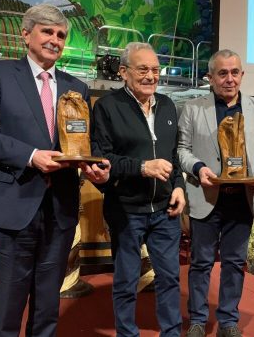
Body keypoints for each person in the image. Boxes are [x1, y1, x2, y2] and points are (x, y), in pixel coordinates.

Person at [0, 4, 110, 337]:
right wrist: (30, 156)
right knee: (9, 307)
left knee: (48, 306)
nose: (55, 40)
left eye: (61, 35)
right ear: (26, 34)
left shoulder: (77, 87)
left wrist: (93, 168)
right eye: (47, 31)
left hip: (59, 208)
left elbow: (81, 143)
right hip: (11, 204)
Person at [177, 49, 254, 337]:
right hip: (206, 197)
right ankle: (198, 320)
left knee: (235, 263)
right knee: (200, 263)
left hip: (243, 200)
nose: (229, 79)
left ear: (242, 75)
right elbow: (181, 150)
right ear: (210, 77)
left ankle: (228, 321)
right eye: (222, 73)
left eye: (235, 72)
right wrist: (197, 167)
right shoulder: (193, 108)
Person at [91, 42, 186, 337]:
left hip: (165, 211)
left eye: (156, 69)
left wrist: (179, 187)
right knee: (126, 281)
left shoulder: (168, 105)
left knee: (170, 278)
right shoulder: (108, 107)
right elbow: (102, 157)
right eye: (143, 69)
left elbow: (174, 156)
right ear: (123, 72)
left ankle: (171, 333)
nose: (151, 76)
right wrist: (142, 167)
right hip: (126, 209)